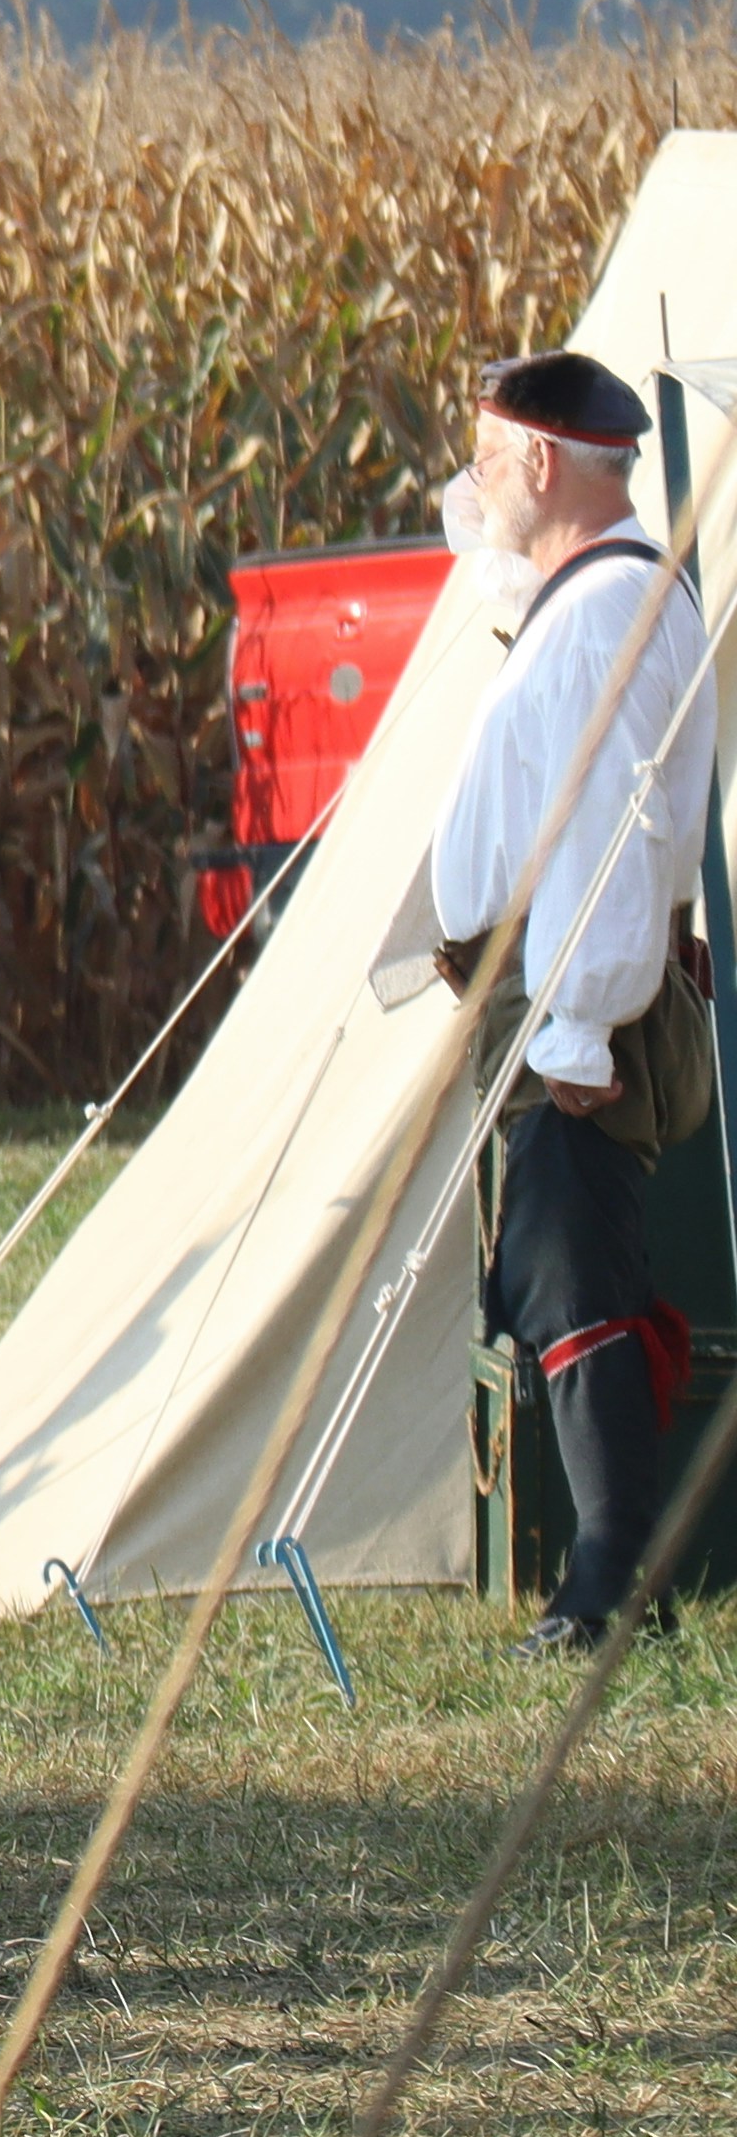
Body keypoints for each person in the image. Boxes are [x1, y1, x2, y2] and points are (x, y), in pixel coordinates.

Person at [417, 348, 717, 1653]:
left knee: (566, 1274)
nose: (473, 489)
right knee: (556, 1274)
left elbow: (614, 821)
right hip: (547, 989)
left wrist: (577, 1021)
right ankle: (610, 1577)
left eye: (492, 461)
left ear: (546, 462)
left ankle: (609, 1585)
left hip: (573, 991)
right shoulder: (581, 595)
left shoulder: (606, 610)